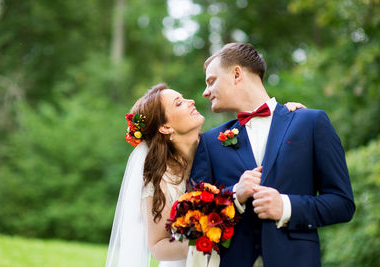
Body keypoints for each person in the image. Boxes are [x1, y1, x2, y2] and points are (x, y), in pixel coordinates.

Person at [190, 43, 355, 267]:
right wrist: (235, 196)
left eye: (211, 81)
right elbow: (194, 219)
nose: (205, 92)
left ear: (237, 74)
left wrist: (286, 207)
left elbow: (342, 203)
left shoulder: (310, 122)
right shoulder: (209, 142)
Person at [106, 83, 305, 267]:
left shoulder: (222, 144)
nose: (191, 101)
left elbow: (261, 138)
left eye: (184, 98)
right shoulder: (161, 180)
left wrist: (284, 117)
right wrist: (205, 238)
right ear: (166, 127)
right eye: (179, 103)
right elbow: (158, 246)